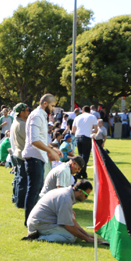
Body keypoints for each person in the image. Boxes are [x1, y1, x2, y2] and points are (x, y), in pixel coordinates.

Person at [22, 94, 61, 226]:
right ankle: (29, 222)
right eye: (52, 105)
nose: (53, 109)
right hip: (34, 158)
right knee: (33, 191)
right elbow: (34, 140)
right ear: (45, 103)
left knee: (37, 190)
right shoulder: (37, 115)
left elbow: (42, 140)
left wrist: (53, 149)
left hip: (39, 158)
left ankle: (33, 220)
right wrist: (50, 151)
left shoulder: (42, 115)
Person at [24, 180, 95, 244]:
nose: (87, 198)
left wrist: (87, 235)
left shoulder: (66, 193)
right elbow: (68, 226)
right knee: (70, 237)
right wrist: (87, 239)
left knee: (73, 233)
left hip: (41, 221)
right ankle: (39, 238)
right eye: (86, 195)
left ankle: (40, 234)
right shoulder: (66, 198)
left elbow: (72, 221)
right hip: (40, 223)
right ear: (80, 191)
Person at [10, 103, 29, 209]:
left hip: (17, 153)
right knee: (23, 180)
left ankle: (16, 198)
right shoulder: (22, 124)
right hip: (22, 154)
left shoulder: (16, 122)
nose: (28, 112)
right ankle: (20, 203)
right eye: (27, 110)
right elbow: (30, 139)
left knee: (18, 178)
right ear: (21, 112)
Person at [71, 106, 97, 180]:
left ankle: (82, 172)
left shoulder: (77, 117)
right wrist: (89, 131)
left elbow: (73, 130)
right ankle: (81, 172)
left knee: (80, 155)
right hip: (86, 137)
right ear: (90, 111)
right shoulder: (92, 117)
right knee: (85, 157)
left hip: (78, 137)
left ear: (82, 111)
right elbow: (95, 130)